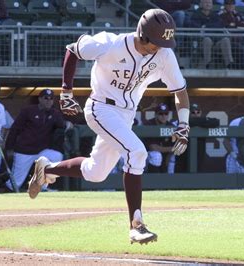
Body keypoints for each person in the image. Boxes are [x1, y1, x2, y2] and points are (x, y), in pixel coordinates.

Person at [26, 9, 190, 245]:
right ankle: (136, 225)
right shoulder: (110, 43)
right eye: (157, 42)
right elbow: (73, 50)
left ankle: (48, 169)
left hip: (126, 115)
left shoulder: (164, 55)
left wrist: (184, 123)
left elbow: (180, 92)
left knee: (96, 173)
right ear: (142, 35)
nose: (161, 46)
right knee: (137, 152)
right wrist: (66, 91)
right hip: (100, 108)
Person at [4, 89, 72, 191]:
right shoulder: (28, 111)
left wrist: (68, 124)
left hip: (42, 151)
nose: (48, 101)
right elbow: (15, 129)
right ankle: (5, 191)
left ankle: (42, 186)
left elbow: (63, 124)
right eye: (45, 98)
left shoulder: (54, 113)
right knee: (15, 183)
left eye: (51, 99)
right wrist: (9, 148)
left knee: (57, 156)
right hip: (24, 151)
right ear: (40, 99)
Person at [188, 0, 236, 69]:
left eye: (209, 3)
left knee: (225, 40)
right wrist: (209, 27)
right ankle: (207, 63)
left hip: (216, 41)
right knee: (207, 40)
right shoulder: (195, 15)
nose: (208, 4)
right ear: (201, 4)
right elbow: (195, 27)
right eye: (206, 2)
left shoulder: (215, 15)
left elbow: (219, 26)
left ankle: (229, 64)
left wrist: (205, 26)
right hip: (201, 43)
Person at [143, 103, 175, 173]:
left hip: (165, 155)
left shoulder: (170, 126)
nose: (163, 116)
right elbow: (153, 147)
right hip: (146, 157)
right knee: (156, 155)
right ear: (156, 114)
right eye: (161, 114)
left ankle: (170, 181)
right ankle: (153, 181)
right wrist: (170, 149)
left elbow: (175, 148)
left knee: (173, 157)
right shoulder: (149, 124)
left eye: (166, 114)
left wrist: (170, 151)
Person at [224, 102, 244, 174]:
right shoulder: (236, 122)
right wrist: (233, 154)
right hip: (235, 156)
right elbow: (226, 141)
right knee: (230, 183)